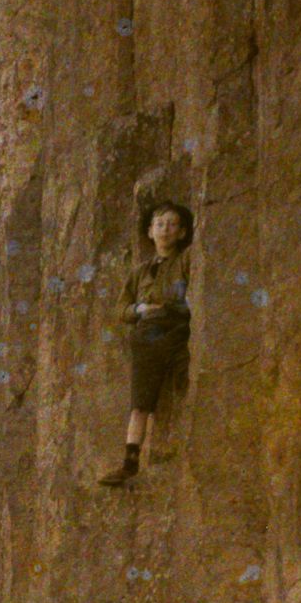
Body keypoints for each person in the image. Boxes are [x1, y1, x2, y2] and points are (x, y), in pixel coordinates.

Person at [97, 200, 194, 487]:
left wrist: (169, 307)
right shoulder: (140, 271)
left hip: (178, 330)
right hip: (148, 335)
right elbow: (121, 310)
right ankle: (130, 461)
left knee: (184, 385)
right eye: (159, 224)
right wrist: (139, 310)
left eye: (172, 224)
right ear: (150, 231)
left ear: (183, 232)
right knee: (140, 402)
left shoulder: (186, 260)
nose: (165, 230)